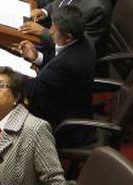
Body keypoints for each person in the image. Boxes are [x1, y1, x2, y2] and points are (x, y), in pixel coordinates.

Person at [18, 6, 95, 146]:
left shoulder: (68, 63)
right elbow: (55, 68)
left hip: (60, 124)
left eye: (54, 29)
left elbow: (33, 90)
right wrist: (37, 58)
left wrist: (6, 72)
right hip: (68, 103)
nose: (51, 31)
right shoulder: (83, 41)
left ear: (68, 36)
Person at [20, 0, 111, 57]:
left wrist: (43, 32)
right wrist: (44, 12)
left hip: (69, 61)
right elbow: (60, 3)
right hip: (54, 39)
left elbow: (80, 47)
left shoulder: (97, 8)